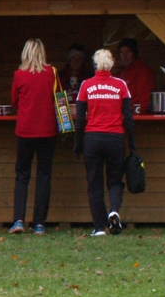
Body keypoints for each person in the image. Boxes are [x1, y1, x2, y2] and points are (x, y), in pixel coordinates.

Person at [74, 48, 135, 237]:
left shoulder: (86, 85)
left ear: (95, 64)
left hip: (92, 138)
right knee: (115, 180)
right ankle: (114, 211)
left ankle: (99, 227)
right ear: (112, 64)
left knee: (94, 183)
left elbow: (80, 119)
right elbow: (128, 118)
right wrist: (132, 144)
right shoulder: (121, 85)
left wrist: (78, 143)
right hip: (115, 138)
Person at [9, 37, 59, 234]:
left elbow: (14, 101)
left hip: (25, 130)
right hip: (47, 130)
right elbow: (60, 99)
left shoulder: (19, 74)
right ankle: (39, 223)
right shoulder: (52, 73)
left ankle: (18, 220)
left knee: (22, 175)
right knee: (44, 175)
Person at [115, 38, 155, 113]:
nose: (124, 56)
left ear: (134, 53)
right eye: (122, 52)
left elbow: (144, 100)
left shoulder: (143, 71)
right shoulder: (121, 72)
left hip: (138, 115)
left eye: (128, 52)